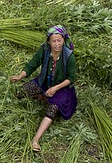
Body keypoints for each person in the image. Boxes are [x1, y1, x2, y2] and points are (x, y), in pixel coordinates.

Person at [9, 25, 78, 153]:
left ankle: (35, 139)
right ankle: (42, 96)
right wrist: (20, 76)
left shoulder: (69, 56)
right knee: (20, 93)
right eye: (54, 41)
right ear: (48, 42)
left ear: (63, 40)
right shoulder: (44, 50)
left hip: (62, 88)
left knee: (53, 109)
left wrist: (55, 88)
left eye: (59, 40)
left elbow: (71, 78)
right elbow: (31, 65)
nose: (57, 44)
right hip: (44, 82)